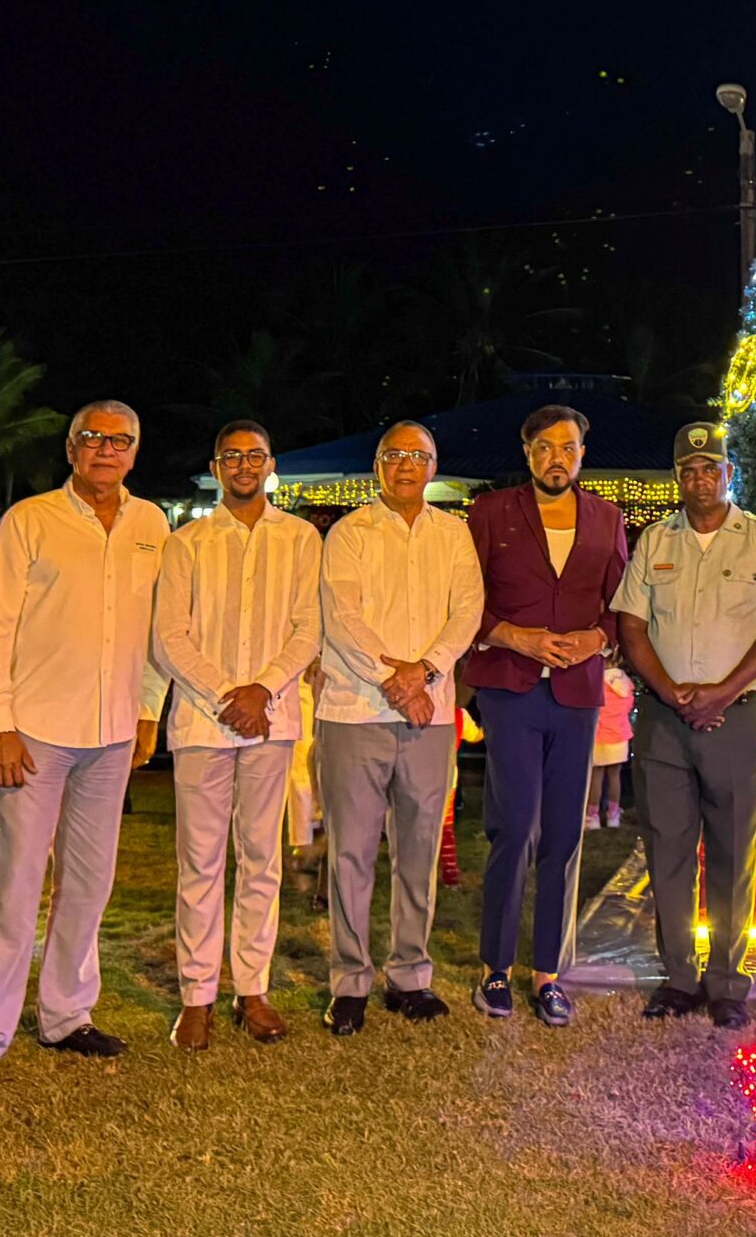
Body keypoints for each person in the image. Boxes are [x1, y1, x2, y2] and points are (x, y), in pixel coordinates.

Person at [0, 401, 169, 1084]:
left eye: (119, 441)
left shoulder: (151, 524)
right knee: (13, 884)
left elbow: (156, 627)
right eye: (92, 438)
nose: (106, 449)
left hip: (111, 731)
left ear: (134, 452)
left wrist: (148, 709)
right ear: (71, 449)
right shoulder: (30, 520)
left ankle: (68, 1015)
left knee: (89, 883)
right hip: (35, 731)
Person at [613, 421, 756, 1030]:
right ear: (678, 478)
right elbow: (632, 626)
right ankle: (679, 978)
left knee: (731, 853)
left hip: (735, 718)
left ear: (728, 473)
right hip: (665, 720)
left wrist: (721, 691)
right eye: (688, 470)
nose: (699, 479)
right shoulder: (654, 541)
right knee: (667, 850)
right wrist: (669, 690)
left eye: (710, 468)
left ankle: (726, 983)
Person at [152, 420, 321, 1051]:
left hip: (271, 721)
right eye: (233, 456)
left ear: (271, 464)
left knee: (261, 859)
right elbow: (170, 637)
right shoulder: (186, 543)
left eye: (255, 456)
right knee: (199, 862)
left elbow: (309, 627)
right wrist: (229, 695)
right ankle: (196, 994)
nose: (245, 465)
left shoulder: (301, 538)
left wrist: (263, 691)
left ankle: (253, 988)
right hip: (204, 722)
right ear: (216, 467)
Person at [462, 404, 629, 1028]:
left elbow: (622, 605)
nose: (556, 458)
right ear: (527, 451)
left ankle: (548, 974)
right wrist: (512, 635)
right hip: (510, 689)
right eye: (545, 447)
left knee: (563, 835)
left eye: (568, 448)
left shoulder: (607, 517)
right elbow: (465, 601)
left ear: (582, 454)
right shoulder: (490, 512)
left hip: (577, 693)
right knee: (514, 829)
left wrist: (598, 639)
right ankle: (496, 967)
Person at [315, 423, 483, 1036]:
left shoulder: (454, 534)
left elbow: (467, 610)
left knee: (418, 849)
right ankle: (350, 981)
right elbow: (342, 617)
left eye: (418, 455)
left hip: (428, 715)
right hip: (356, 711)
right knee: (352, 853)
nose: (406, 465)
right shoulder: (349, 533)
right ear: (378, 465)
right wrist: (395, 680)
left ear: (433, 466)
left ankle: (410, 975)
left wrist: (426, 673)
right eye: (394, 455)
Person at [587, 660, 634, 828]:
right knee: (615, 776)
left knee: (596, 776)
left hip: (600, 735)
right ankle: (613, 815)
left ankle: (592, 816)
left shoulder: (596, 680)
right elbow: (628, 706)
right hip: (620, 736)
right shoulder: (626, 682)